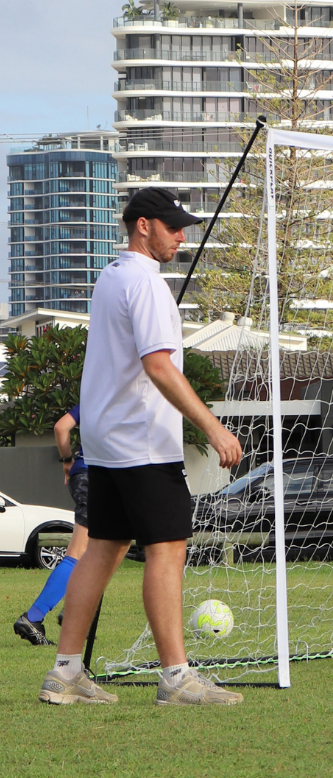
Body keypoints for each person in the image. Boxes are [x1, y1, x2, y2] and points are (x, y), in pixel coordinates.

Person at [38, 187, 244, 707]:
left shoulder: (110, 278)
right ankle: (176, 678)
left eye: (184, 227)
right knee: (168, 550)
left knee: (102, 549)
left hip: (105, 443)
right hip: (143, 445)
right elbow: (158, 367)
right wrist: (214, 428)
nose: (181, 235)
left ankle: (65, 673)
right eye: (173, 226)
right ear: (143, 226)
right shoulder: (147, 286)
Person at [13, 407, 89, 646]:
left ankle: (65, 613)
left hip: (82, 474)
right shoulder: (131, 394)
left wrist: (67, 460)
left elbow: (61, 427)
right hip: (104, 476)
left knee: (87, 550)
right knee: (88, 551)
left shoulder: (95, 391)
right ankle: (38, 616)